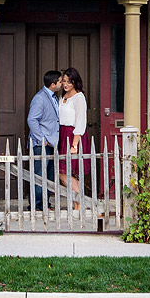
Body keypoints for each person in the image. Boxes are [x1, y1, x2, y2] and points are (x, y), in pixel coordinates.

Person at [26, 69, 62, 211]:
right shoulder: (40, 98)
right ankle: (37, 205)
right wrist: (41, 139)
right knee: (40, 175)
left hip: (52, 142)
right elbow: (32, 119)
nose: (62, 84)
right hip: (42, 143)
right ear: (53, 84)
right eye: (60, 81)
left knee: (49, 175)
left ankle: (45, 204)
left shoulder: (53, 97)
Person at [58, 67, 89, 209]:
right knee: (65, 173)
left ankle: (79, 203)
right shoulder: (62, 97)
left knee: (66, 173)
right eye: (64, 81)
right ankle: (77, 204)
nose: (66, 84)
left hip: (73, 135)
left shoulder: (79, 97)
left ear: (75, 82)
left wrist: (75, 144)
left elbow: (81, 121)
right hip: (63, 134)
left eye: (69, 82)